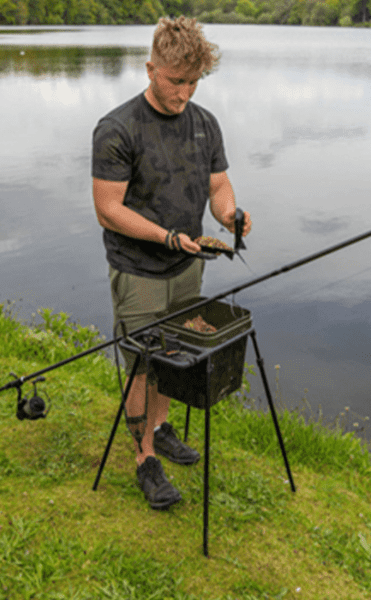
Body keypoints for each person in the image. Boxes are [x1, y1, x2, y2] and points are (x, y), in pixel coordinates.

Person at [91, 15, 251, 510]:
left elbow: (219, 186)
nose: (184, 93)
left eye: (193, 82)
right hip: (138, 268)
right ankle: (145, 460)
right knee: (142, 364)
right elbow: (108, 209)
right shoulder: (118, 128)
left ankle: (159, 429)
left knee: (173, 355)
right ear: (150, 69)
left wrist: (230, 215)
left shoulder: (205, 124)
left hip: (187, 265)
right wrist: (166, 237)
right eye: (175, 81)